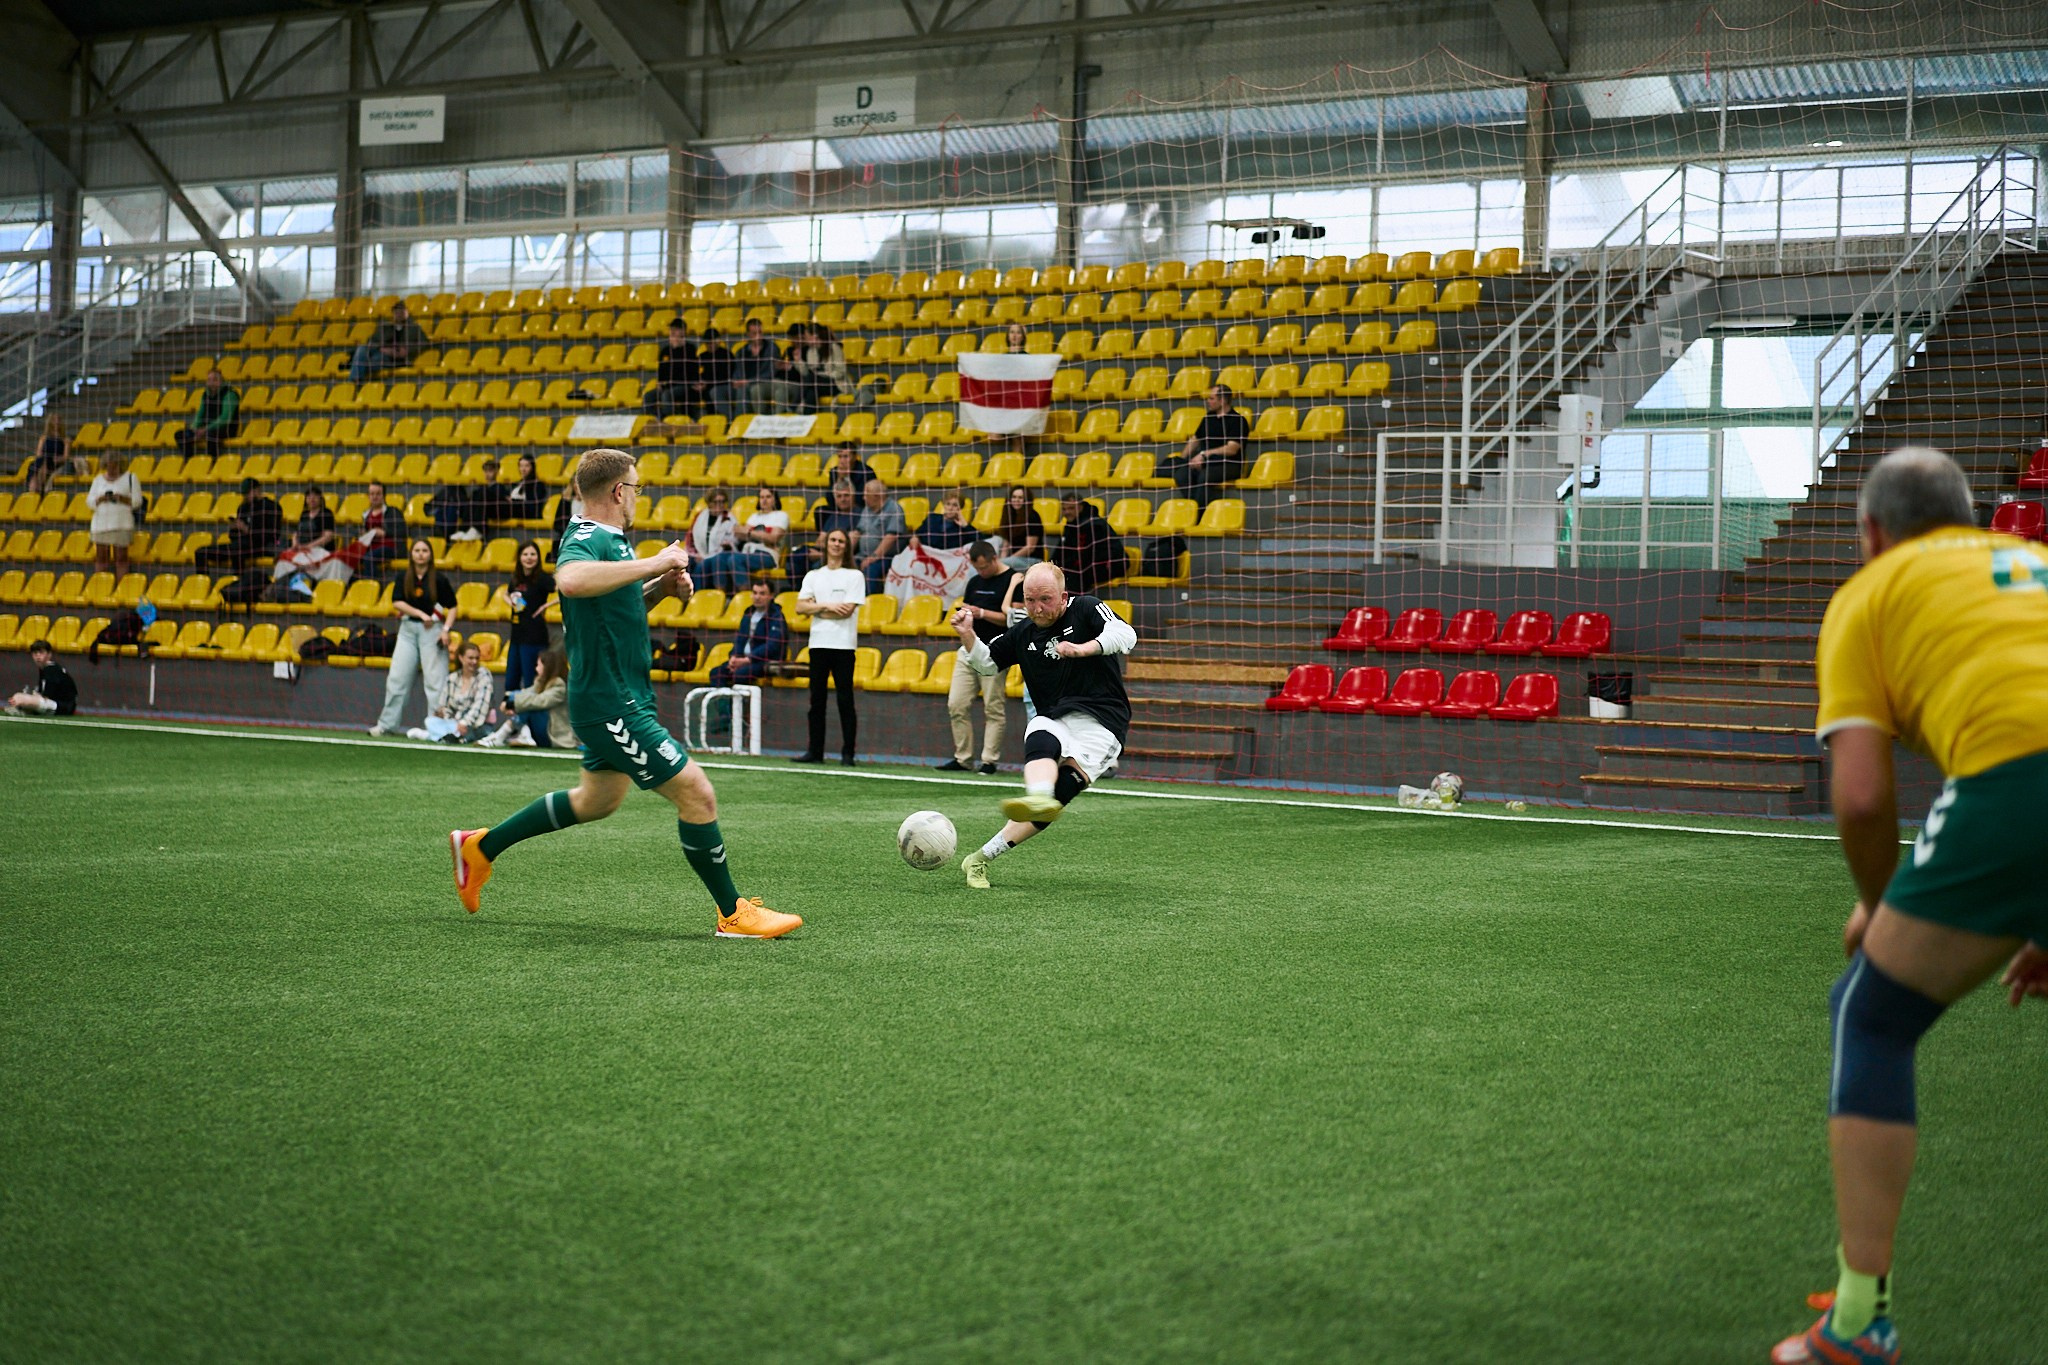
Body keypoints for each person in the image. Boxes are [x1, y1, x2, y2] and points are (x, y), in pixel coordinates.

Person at [1770, 447, 2048, 1365]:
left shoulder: (1873, 592)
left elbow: (1858, 795)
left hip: (2020, 782)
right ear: (1970, 520)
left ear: (1872, 535)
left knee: (1873, 1014)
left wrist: (1875, 906)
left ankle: (1858, 1321)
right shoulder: (2033, 564)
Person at [448, 447, 801, 939]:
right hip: (613, 699)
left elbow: (614, 603)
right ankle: (733, 913)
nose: (638, 496)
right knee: (697, 793)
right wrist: (656, 560)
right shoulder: (589, 535)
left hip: (621, 692)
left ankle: (479, 848)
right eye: (636, 487)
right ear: (618, 491)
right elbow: (570, 582)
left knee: (596, 801)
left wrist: (660, 585)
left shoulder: (611, 541)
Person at [949, 562, 1137, 888]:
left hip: (1103, 722)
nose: (1037, 608)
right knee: (1041, 731)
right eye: (1030, 600)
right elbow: (988, 663)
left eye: (1045, 600)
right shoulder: (1024, 631)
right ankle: (1036, 797)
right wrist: (968, 634)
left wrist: (1083, 649)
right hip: (1055, 715)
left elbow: (1126, 634)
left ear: (1063, 596)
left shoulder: (1086, 608)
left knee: (1061, 794)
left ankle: (981, 856)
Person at [938, 541, 1016, 774]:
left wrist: (981, 613)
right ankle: (963, 758)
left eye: (984, 568)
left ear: (994, 559)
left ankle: (989, 761)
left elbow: (1012, 619)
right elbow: (967, 609)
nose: (981, 572)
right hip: (968, 649)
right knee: (956, 704)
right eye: (977, 568)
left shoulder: (1013, 580)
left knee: (993, 707)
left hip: (996, 651)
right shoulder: (974, 582)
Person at [369, 538, 458, 738]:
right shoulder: (404, 577)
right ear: (411, 554)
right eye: (417, 550)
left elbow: (452, 607)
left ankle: (437, 729)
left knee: (436, 682)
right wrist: (419, 614)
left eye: (424, 550)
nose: (420, 554)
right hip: (408, 630)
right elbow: (397, 602)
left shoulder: (439, 579)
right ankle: (387, 725)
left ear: (430, 554)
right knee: (396, 679)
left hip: (432, 632)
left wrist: (445, 629)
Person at [795, 527, 864, 766]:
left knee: (845, 700)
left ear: (846, 546)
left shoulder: (854, 576)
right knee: (817, 701)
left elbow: (847, 612)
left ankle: (848, 754)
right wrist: (828, 606)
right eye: (833, 540)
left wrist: (817, 607)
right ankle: (815, 752)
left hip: (844, 646)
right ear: (826, 544)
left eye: (841, 541)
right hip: (818, 644)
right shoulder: (814, 575)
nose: (836, 544)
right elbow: (800, 607)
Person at [1162, 384, 1249, 507]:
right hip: (1206, 461)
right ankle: (1194, 509)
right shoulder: (1208, 418)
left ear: (1223, 400)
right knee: (1182, 474)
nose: (1208, 401)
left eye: (1212, 398)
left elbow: (1232, 449)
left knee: (1205, 476)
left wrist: (1204, 454)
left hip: (1229, 464)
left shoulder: (1237, 420)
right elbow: (1196, 439)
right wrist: (1183, 459)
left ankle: (1200, 514)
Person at [695, 485, 789, 593]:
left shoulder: (781, 516)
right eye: (761, 497)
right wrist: (754, 534)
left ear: (775, 499)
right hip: (747, 552)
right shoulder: (754, 516)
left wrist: (749, 532)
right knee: (717, 558)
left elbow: (773, 538)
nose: (764, 500)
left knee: (734, 559)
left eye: (768, 497)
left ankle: (745, 595)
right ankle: (720, 595)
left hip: (767, 554)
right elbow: (739, 534)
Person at [479, 645, 572, 750]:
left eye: (538, 665)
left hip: (554, 736)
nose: (536, 668)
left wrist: (511, 704)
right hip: (542, 731)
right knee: (524, 701)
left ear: (548, 667)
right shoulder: (540, 682)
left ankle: (501, 735)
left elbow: (539, 701)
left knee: (529, 705)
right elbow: (523, 693)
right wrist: (508, 699)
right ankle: (523, 735)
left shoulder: (559, 686)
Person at [196, 476, 285, 573]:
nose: (246, 496)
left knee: (236, 548)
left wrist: (246, 529)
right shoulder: (243, 508)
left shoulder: (271, 507)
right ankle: (202, 583)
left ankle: (239, 580)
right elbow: (233, 536)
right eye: (245, 494)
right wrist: (235, 528)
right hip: (241, 544)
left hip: (261, 546)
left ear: (257, 490)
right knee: (201, 552)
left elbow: (271, 535)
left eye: (248, 493)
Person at [410, 640, 494, 743]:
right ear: (461, 658)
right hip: (454, 724)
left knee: (467, 731)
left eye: (477, 658)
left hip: (476, 725)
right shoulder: (452, 678)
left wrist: (464, 723)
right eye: (470, 658)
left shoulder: (484, 676)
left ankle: (431, 736)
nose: (474, 662)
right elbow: (444, 706)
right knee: (430, 721)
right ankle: (448, 737)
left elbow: (480, 706)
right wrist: (443, 714)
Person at [708, 581, 787, 687]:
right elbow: (740, 640)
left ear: (771, 596)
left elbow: (772, 646)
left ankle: (741, 703)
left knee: (740, 675)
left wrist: (748, 659)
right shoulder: (748, 614)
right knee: (716, 673)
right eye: (754, 593)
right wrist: (734, 657)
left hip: (764, 662)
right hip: (743, 660)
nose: (757, 597)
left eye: (762, 594)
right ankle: (724, 703)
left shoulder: (777, 617)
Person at [271, 487, 347, 596]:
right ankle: (280, 590)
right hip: (302, 551)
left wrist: (309, 546)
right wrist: (294, 544)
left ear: (320, 498)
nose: (312, 499)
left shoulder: (326, 513)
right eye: (309, 496)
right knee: (282, 563)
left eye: (315, 496)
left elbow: (328, 536)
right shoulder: (304, 514)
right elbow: (296, 533)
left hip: (318, 550)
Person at [503, 540, 554, 692]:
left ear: (538, 557)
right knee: (510, 682)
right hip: (516, 636)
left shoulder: (543, 578)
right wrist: (509, 601)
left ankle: (530, 716)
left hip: (534, 638)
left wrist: (547, 605)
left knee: (530, 683)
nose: (529, 557)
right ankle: (512, 715)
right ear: (519, 557)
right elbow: (506, 593)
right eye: (525, 554)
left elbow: (564, 590)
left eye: (533, 554)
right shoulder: (516, 578)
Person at [786, 478, 860, 580]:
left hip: (838, 558)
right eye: (839, 496)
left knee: (814, 567)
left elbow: (848, 547)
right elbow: (819, 542)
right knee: (795, 557)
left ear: (853, 496)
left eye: (846, 495)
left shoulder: (858, 515)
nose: (843, 499)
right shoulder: (834, 516)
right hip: (825, 552)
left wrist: (821, 554)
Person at [1052, 491, 1121, 594]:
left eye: (1071, 508)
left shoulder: (1093, 524)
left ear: (1080, 507)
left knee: (1071, 577)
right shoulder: (1071, 524)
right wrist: (1050, 565)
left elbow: (1085, 555)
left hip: (1109, 565)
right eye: (1064, 509)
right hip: (1086, 564)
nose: (1067, 512)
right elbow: (1062, 550)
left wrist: (1063, 567)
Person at [87, 451, 143, 578]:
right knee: (101, 558)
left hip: (121, 523)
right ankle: (102, 587)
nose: (111, 470)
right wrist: (100, 499)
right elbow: (89, 502)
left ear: (120, 465)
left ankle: (121, 588)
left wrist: (121, 498)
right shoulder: (98, 480)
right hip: (100, 524)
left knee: (121, 558)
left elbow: (137, 501)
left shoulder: (131, 478)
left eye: (114, 466)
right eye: (108, 466)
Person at [336, 480, 408, 576]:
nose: (374, 497)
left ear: (384, 496)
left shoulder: (393, 512)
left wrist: (384, 533)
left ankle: (372, 586)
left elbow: (403, 532)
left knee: (368, 557)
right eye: (372, 494)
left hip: (390, 547)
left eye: (378, 494)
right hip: (370, 546)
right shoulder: (366, 514)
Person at [349, 301, 428, 383]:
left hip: (393, 359)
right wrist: (381, 349)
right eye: (396, 312)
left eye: (401, 311)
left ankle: (354, 380)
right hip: (381, 352)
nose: (399, 314)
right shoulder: (386, 328)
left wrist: (407, 351)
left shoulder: (414, 328)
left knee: (367, 361)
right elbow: (372, 340)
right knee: (362, 348)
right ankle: (356, 379)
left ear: (407, 312)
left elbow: (424, 343)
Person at [642, 318, 703, 422]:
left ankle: (669, 421)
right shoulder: (665, 351)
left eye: (675, 329)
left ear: (683, 332)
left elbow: (691, 369)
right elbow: (662, 369)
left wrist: (678, 348)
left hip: (684, 385)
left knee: (667, 395)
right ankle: (657, 419)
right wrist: (660, 383)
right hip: (668, 386)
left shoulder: (690, 349)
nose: (672, 332)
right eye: (671, 330)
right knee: (648, 396)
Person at [854, 477, 907, 594]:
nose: (863, 498)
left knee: (871, 571)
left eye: (866, 495)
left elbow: (891, 537)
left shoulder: (894, 509)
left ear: (877, 496)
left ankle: (869, 603)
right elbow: (858, 531)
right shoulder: (867, 509)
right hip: (862, 555)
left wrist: (873, 557)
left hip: (886, 556)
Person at [718, 318, 780, 418]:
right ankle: (730, 419)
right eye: (754, 333)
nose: (758, 336)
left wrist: (748, 382)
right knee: (716, 391)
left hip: (760, 385)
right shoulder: (741, 351)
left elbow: (770, 373)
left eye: (760, 332)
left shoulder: (771, 348)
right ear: (748, 334)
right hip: (742, 384)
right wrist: (736, 381)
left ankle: (739, 423)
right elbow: (737, 371)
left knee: (743, 390)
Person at [175, 368, 241, 458]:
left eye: (214, 380)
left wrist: (205, 429)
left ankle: (212, 461)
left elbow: (225, 418)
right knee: (180, 435)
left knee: (211, 435)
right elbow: (200, 415)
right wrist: (194, 429)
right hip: (206, 429)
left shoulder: (230, 394)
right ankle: (190, 459)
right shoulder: (206, 395)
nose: (211, 383)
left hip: (225, 429)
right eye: (209, 380)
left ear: (221, 381)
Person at [5, 639, 78, 717]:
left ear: (49, 654)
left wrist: (28, 699)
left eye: (41, 653)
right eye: (35, 653)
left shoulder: (51, 670)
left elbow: (47, 696)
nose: (38, 656)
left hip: (63, 707)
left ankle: (25, 710)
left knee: (21, 698)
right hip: (59, 705)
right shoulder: (44, 669)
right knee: (19, 696)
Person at [24, 412, 77, 495]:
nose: (56, 422)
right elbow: (39, 453)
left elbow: (66, 456)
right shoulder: (44, 438)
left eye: (58, 420)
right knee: (38, 463)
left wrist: (59, 459)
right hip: (43, 460)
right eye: (54, 420)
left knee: (42, 464)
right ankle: (35, 487)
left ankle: (37, 489)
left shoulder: (65, 440)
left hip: (55, 461)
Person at [686, 487, 738, 570]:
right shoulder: (699, 516)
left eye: (722, 502)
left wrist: (706, 558)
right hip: (698, 554)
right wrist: (696, 555)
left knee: (701, 568)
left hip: (718, 557)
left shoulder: (729, 519)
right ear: (709, 503)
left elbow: (729, 544)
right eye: (716, 502)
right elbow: (690, 539)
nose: (720, 505)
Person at [995, 484, 1044, 570]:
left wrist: (1009, 560)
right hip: (1015, 559)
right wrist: (1002, 559)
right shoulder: (1011, 516)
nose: (1016, 500)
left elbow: (1030, 548)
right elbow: (1006, 543)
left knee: (997, 566)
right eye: (1014, 497)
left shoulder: (1032, 516)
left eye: (1020, 498)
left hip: (1031, 560)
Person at [911, 489, 977, 552]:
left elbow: (981, 542)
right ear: (944, 505)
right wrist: (914, 537)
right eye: (948, 504)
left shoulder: (963, 529)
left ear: (960, 508)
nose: (950, 508)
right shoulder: (932, 518)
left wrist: (965, 525)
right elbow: (917, 533)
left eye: (955, 505)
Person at [504, 454, 549, 526]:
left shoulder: (538, 485)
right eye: (521, 466)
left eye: (526, 466)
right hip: (508, 509)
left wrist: (513, 501)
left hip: (522, 512)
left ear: (532, 467)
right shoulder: (516, 484)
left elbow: (532, 508)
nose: (523, 469)